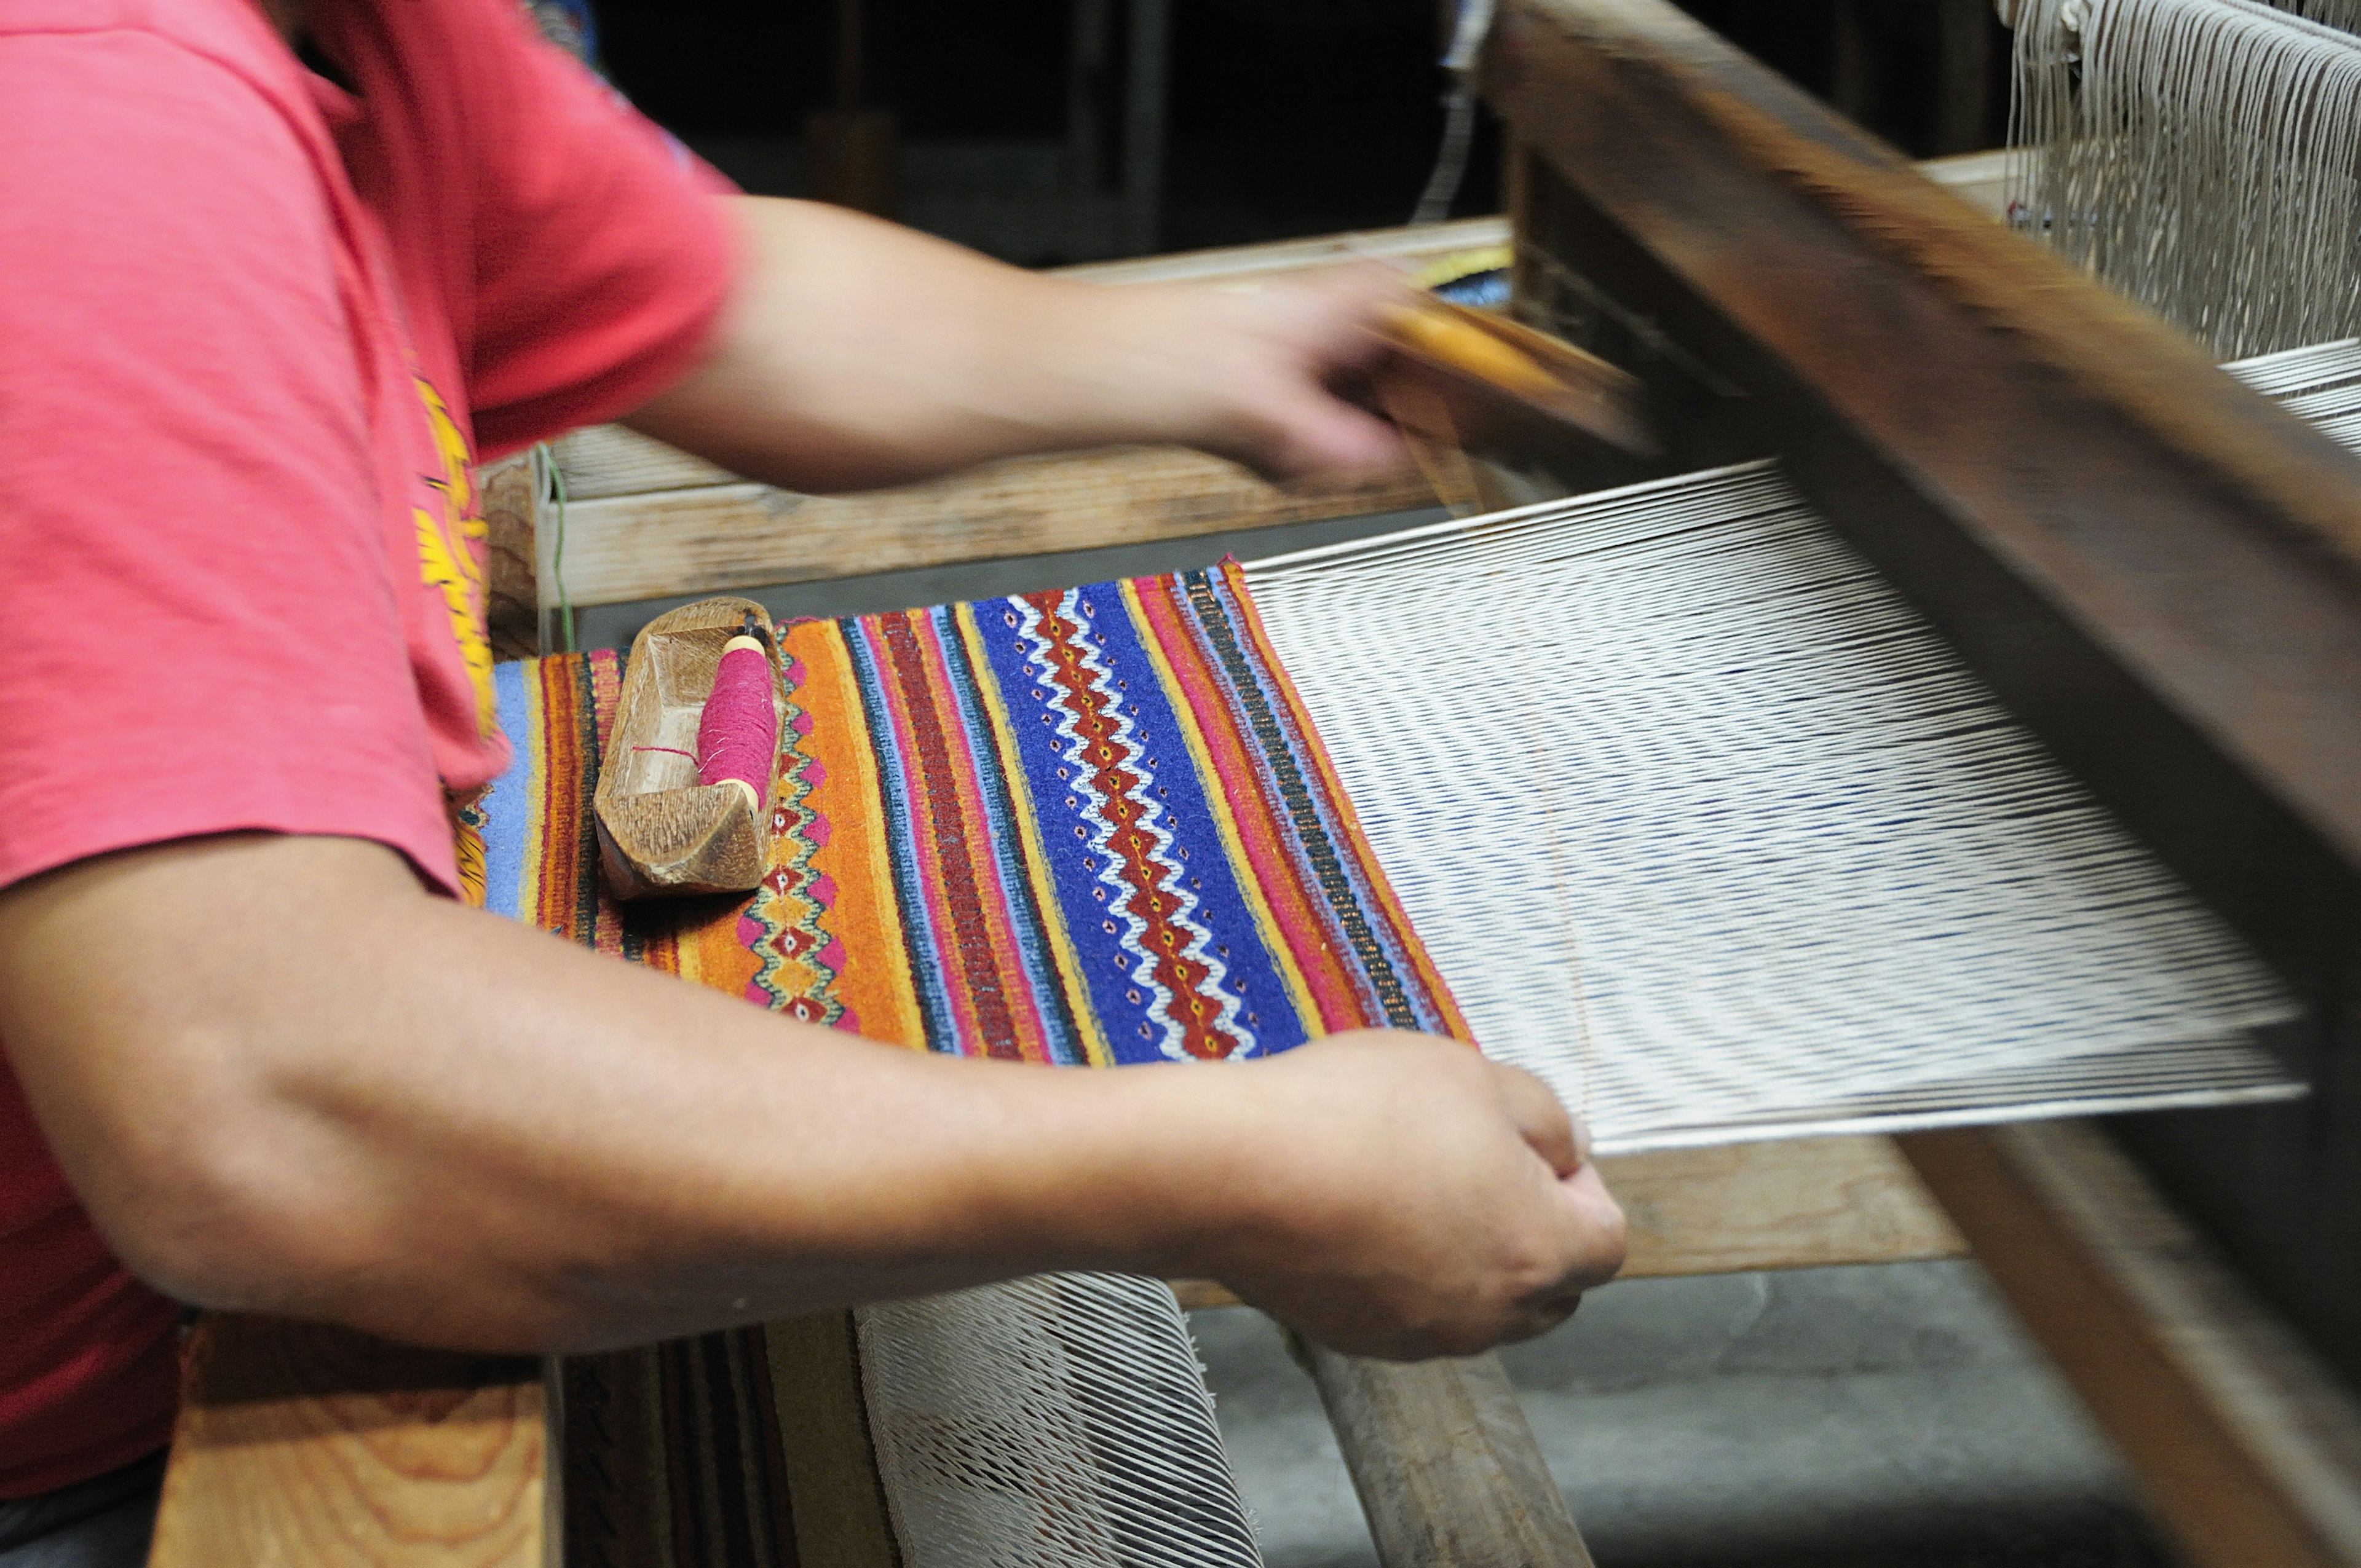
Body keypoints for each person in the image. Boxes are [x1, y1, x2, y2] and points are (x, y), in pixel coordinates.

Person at [0, 0, 1628, 1557]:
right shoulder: (87, 127)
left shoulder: (372, 37)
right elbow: (275, 1101)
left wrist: (1224, 355)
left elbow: (735, 295)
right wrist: (1225, 1174)